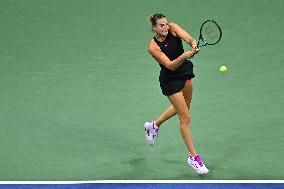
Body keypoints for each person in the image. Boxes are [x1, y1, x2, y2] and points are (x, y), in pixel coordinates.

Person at [144, 13, 209, 175]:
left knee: (185, 107)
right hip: (170, 80)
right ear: (154, 28)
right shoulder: (152, 47)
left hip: (185, 72)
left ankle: (154, 125)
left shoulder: (173, 28)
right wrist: (185, 55)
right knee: (185, 117)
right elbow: (170, 65)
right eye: (161, 25)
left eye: (165, 24)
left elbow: (189, 38)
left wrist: (193, 45)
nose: (165, 27)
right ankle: (193, 157)